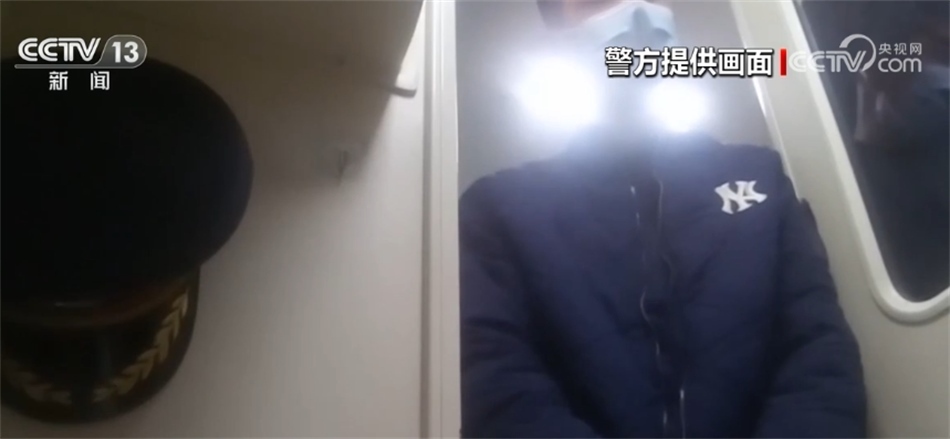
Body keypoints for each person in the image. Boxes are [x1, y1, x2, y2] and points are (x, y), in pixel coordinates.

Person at [459, 1, 867, 437]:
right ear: (558, 39)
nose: (636, 12)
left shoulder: (761, 179)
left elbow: (818, 356)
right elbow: (498, 387)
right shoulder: (499, 209)